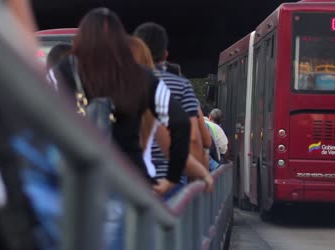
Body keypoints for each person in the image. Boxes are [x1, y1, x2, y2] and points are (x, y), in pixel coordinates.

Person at [48, 8, 191, 195]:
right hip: (130, 184)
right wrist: (172, 177)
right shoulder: (143, 76)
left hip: (74, 182)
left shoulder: (61, 71)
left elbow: (36, 113)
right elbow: (180, 123)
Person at [129, 36, 213, 193]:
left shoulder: (100, 95)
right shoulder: (156, 94)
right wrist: (201, 174)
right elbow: (187, 141)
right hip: (149, 184)